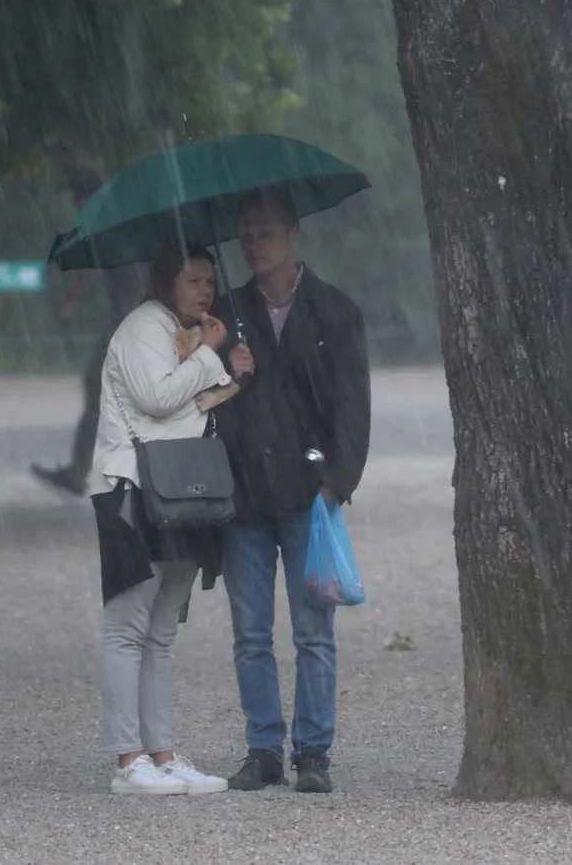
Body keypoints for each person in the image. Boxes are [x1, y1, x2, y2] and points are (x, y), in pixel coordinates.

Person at [215, 190, 371, 795]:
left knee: (313, 632)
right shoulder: (227, 316)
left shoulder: (335, 311)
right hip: (246, 495)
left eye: (265, 234)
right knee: (251, 633)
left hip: (309, 494)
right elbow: (204, 404)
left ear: (293, 236)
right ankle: (263, 748)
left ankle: (313, 750)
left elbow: (353, 407)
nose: (255, 246)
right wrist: (229, 373)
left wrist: (336, 482)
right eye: (246, 236)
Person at [92, 240, 235, 796]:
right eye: (194, 279)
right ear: (165, 281)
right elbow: (155, 397)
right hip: (132, 485)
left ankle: (163, 752)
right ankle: (130, 759)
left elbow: (196, 405)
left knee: (161, 631)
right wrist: (209, 357)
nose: (205, 290)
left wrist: (215, 364)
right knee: (128, 626)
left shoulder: (189, 335)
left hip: (180, 489)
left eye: (210, 281)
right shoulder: (141, 329)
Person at [32, 154, 149, 495]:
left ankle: (89, 471)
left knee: (102, 386)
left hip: (132, 315)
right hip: (141, 312)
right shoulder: (124, 216)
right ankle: (91, 469)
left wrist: (70, 300)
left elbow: (90, 266)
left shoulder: (105, 220)